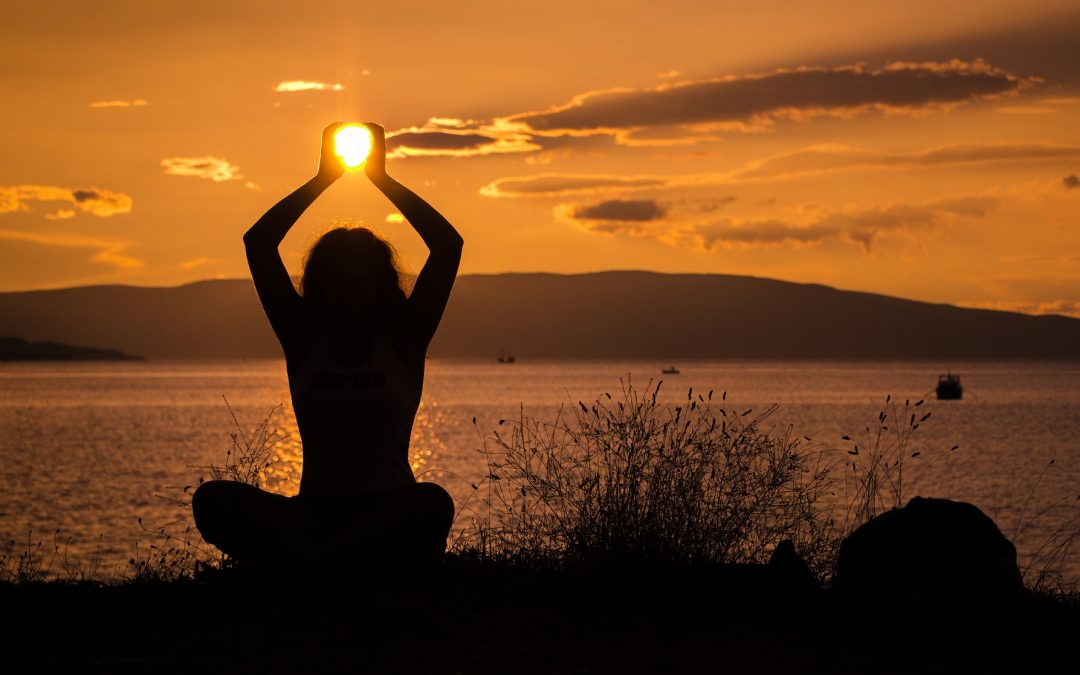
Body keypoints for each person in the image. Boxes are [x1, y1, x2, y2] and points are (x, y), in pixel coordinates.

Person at [191, 122, 462, 574]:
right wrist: (323, 179)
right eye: (338, 280)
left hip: (387, 511)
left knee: (432, 503)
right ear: (321, 286)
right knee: (213, 499)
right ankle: (335, 567)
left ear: (380, 286)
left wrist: (381, 179)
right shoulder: (303, 339)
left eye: (361, 280)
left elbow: (447, 246)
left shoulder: (403, 340)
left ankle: (315, 569)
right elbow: (258, 243)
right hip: (313, 514)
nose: (350, 291)